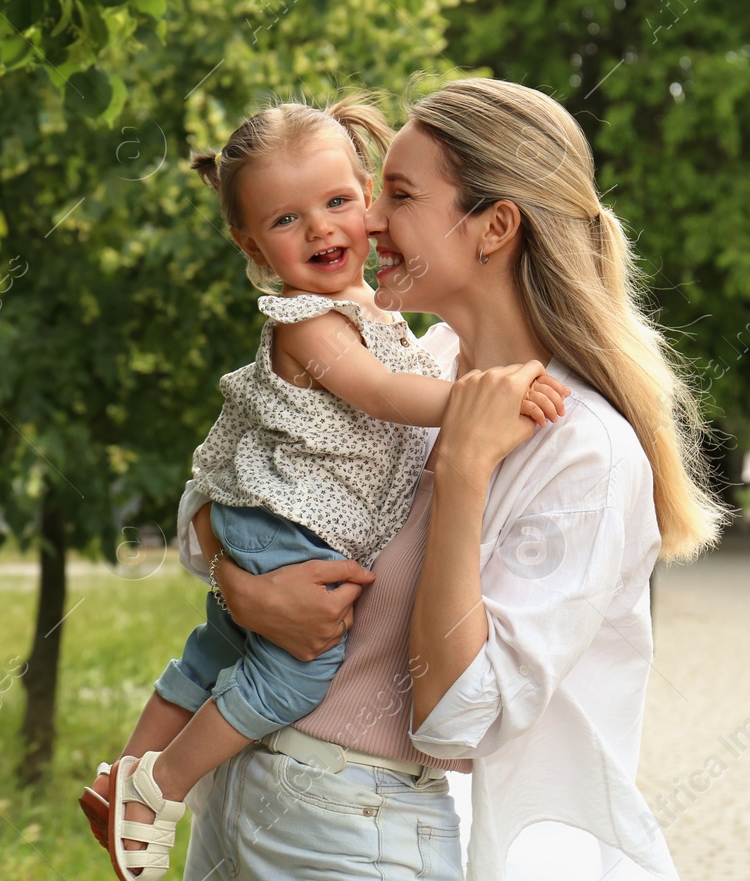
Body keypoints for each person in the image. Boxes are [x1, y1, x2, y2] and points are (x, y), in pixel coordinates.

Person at [80, 95, 569, 881]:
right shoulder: (308, 321)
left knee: (213, 651)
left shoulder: (390, 320)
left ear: (366, 195)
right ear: (251, 243)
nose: (321, 229)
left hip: (288, 540)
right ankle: (161, 782)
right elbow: (376, 398)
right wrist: (476, 402)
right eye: (286, 220)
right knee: (292, 667)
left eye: (341, 201)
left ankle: (125, 774)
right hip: (284, 532)